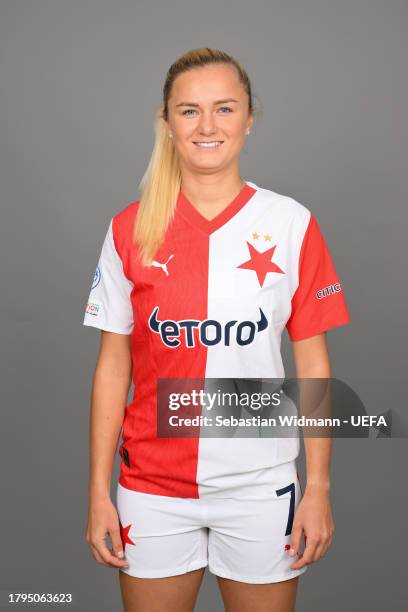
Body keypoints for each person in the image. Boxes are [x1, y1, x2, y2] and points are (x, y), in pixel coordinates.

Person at [83, 47, 351, 612]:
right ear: (167, 122)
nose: (208, 126)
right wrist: (97, 492)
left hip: (261, 485)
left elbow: (315, 367)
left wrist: (319, 489)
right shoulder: (129, 228)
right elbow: (113, 365)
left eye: (225, 109)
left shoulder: (290, 224)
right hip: (151, 490)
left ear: (249, 118)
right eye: (189, 111)